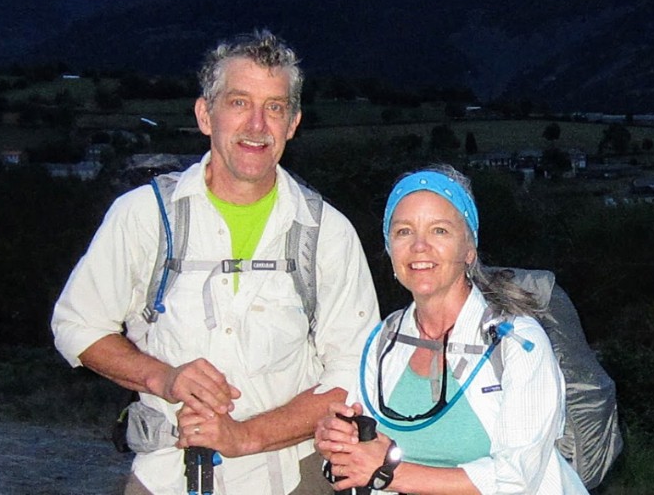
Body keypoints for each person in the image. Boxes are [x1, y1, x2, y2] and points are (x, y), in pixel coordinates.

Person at [52, 29, 380, 495]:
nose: (257, 125)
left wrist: (245, 436)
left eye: (275, 107)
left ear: (293, 123)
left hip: (291, 478)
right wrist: (163, 378)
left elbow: (354, 374)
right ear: (205, 115)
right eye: (238, 102)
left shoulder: (326, 231)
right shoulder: (145, 216)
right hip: (166, 474)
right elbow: (76, 325)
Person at [314, 165, 588, 495]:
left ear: (469, 249)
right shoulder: (382, 342)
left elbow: (516, 479)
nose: (419, 246)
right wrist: (339, 446)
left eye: (439, 231)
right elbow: (358, 468)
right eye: (403, 231)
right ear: (389, 249)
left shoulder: (517, 343)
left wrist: (388, 472)